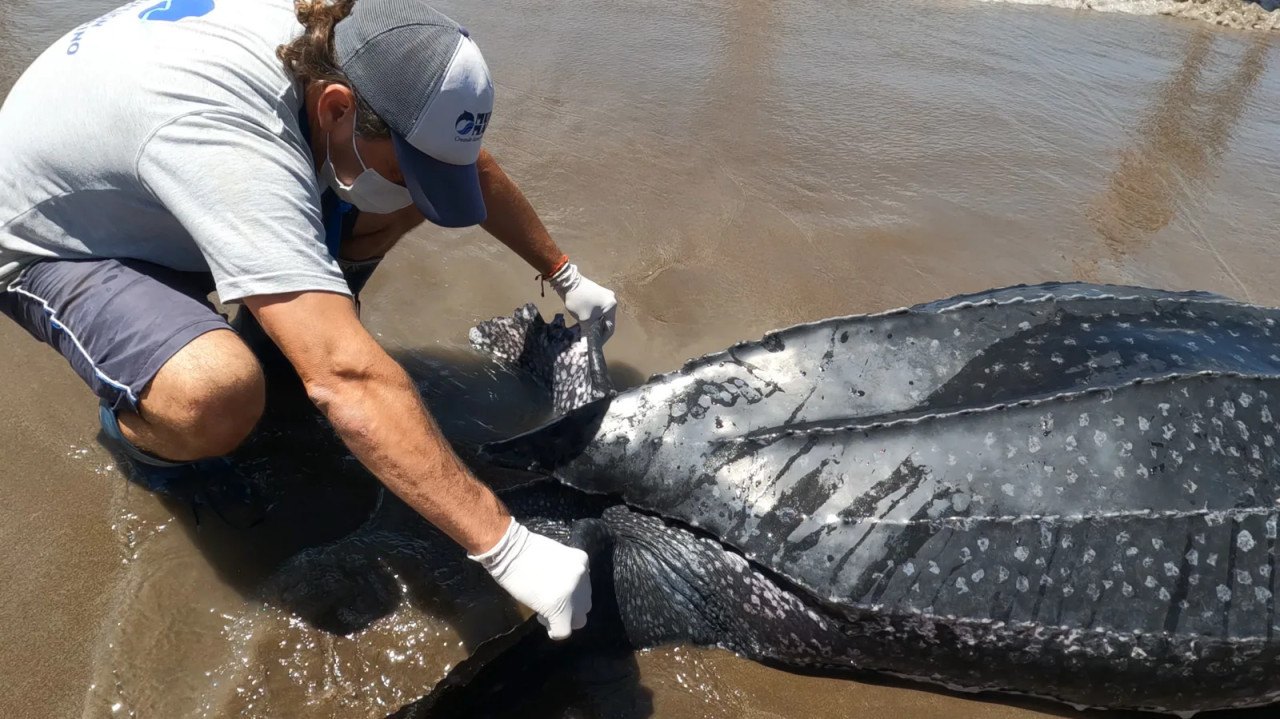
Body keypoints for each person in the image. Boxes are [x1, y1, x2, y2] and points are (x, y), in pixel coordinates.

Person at [0, 0, 616, 640]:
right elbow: (344, 378)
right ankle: (152, 444)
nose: (412, 178)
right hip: (67, 238)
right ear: (334, 109)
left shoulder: (352, 52)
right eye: (404, 161)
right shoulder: (234, 140)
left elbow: (457, 165)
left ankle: (288, 335)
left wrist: (566, 276)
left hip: (158, 174)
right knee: (216, 394)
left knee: (405, 196)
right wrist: (505, 546)